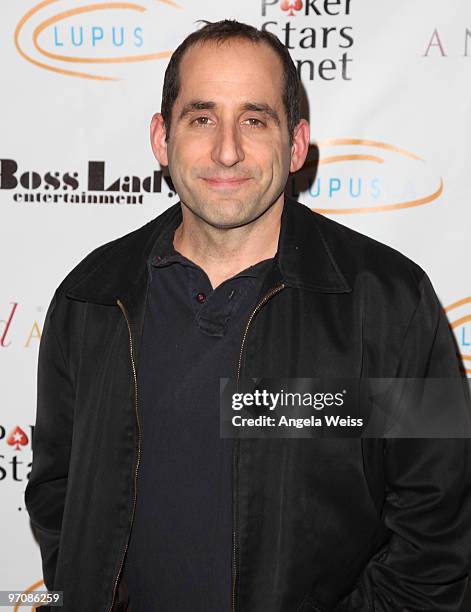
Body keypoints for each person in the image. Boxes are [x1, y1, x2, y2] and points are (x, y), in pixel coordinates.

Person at [25, 19, 471, 612]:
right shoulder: (91, 298)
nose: (227, 149)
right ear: (162, 138)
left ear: (295, 143)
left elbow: (439, 533)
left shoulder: (386, 304)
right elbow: (59, 493)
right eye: (202, 118)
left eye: (255, 120)